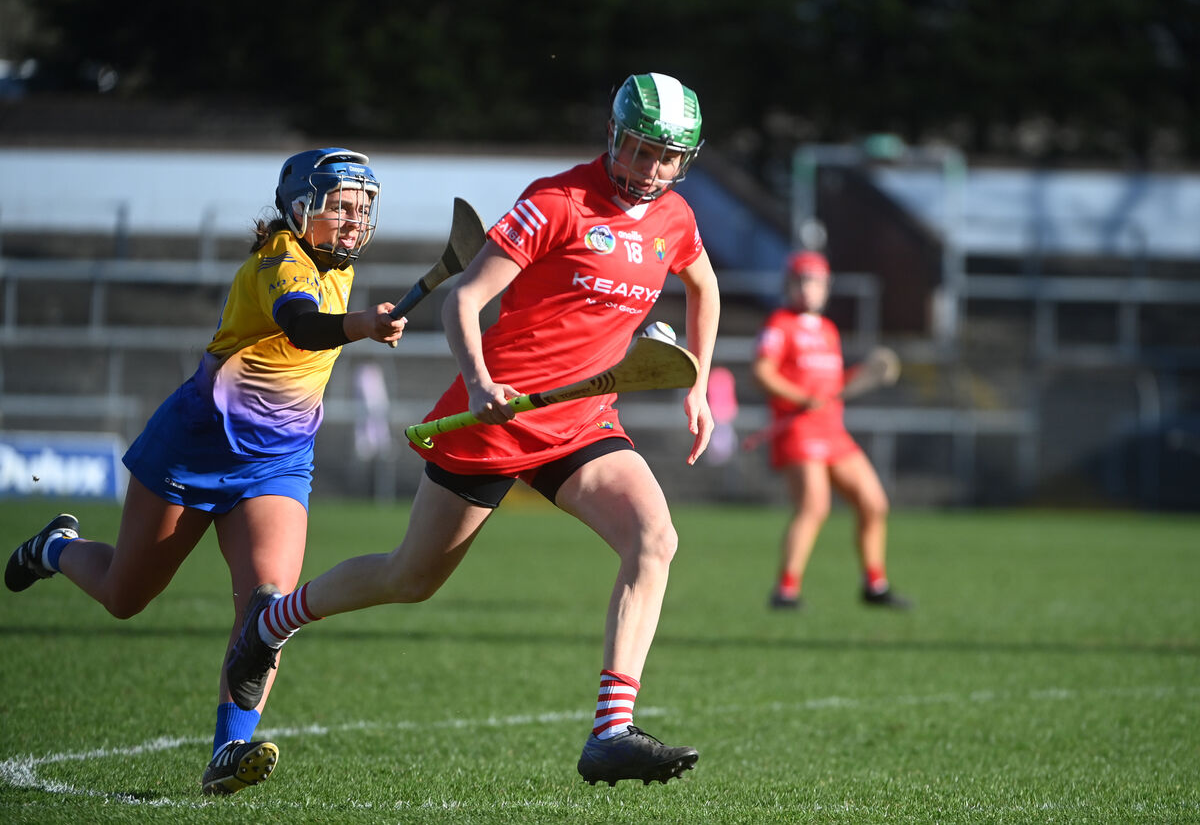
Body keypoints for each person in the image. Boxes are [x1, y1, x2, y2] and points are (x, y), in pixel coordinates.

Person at [224, 72, 721, 787]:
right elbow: (466, 298)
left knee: (655, 537)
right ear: (614, 137)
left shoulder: (675, 218)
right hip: (498, 416)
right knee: (409, 577)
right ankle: (271, 623)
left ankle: (611, 728)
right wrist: (484, 382)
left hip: (582, 420)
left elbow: (702, 283)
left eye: (667, 158)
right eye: (640, 151)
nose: (652, 171)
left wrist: (699, 381)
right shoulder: (558, 200)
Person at [4, 148, 407, 795]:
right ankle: (56, 546)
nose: (355, 219)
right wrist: (360, 325)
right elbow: (302, 326)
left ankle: (229, 750)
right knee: (123, 595)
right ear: (301, 208)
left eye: (363, 207)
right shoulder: (282, 258)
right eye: (341, 205)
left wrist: (358, 319)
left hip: (275, 463)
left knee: (267, 606)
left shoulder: (340, 263)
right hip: (193, 448)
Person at [752, 250, 911, 610]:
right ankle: (785, 590)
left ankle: (875, 585)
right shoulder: (780, 324)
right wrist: (801, 396)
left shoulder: (828, 330)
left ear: (826, 287)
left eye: (816, 281)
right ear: (789, 285)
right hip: (798, 430)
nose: (808, 288)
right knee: (814, 506)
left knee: (873, 503)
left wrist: (867, 374)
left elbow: (834, 385)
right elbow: (762, 373)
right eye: (801, 280)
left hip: (833, 431)